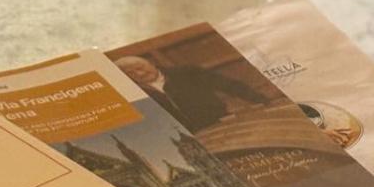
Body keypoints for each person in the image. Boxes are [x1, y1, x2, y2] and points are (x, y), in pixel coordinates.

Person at [114, 54, 268, 134]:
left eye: (140, 67)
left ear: (151, 63)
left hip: (221, 124)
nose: (139, 73)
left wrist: (261, 100)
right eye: (130, 73)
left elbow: (228, 85)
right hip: (189, 138)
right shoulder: (137, 95)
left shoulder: (186, 73)